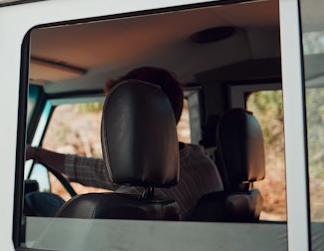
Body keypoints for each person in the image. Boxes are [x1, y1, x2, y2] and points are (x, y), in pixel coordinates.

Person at [27, 66, 223, 220]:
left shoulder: (136, 202)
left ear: (132, 119)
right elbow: (98, 170)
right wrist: (38, 153)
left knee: (38, 201)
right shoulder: (202, 163)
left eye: (117, 114)